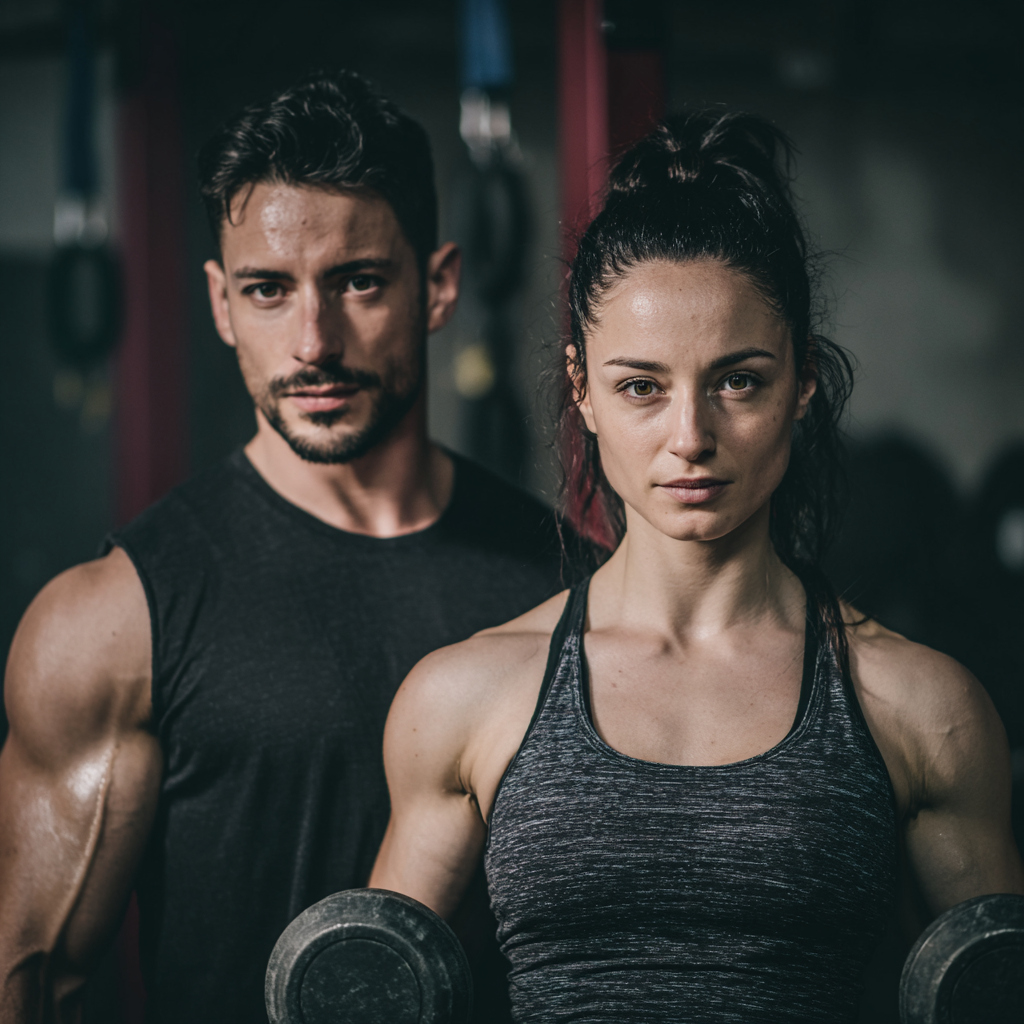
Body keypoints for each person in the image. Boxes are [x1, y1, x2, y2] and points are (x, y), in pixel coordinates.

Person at [369, 111, 1024, 1022]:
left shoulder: (920, 709)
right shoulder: (467, 697)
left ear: (802, 385)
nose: (690, 439)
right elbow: (366, 989)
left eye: (738, 381)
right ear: (582, 391)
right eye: (642, 387)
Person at [0, 71, 569, 1024]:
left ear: (437, 285)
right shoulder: (114, 619)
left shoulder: (569, 582)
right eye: (269, 290)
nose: (313, 340)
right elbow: (31, 983)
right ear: (223, 304)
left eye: (358, 281)